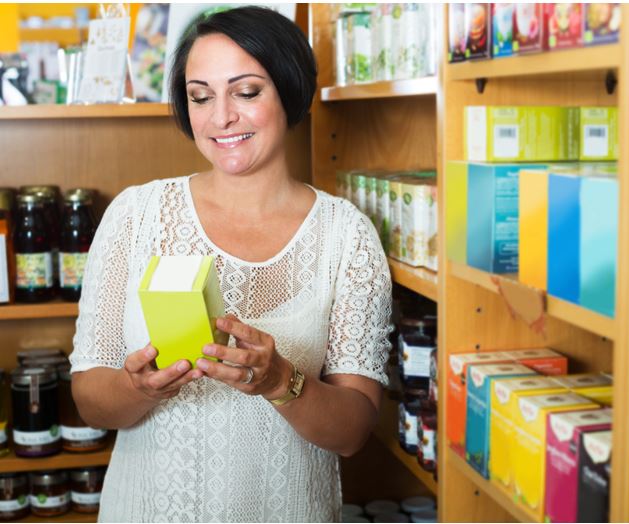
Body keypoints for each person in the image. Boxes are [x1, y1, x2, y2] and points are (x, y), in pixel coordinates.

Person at [70, 6, 392, 522]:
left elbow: (353, 432)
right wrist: (137, 387)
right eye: (200, 96)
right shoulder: (136, 215)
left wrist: (279, 381)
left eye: (245, 92)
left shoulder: (346, 235)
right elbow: (90, 401)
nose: (220, 117)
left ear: (288, 91)